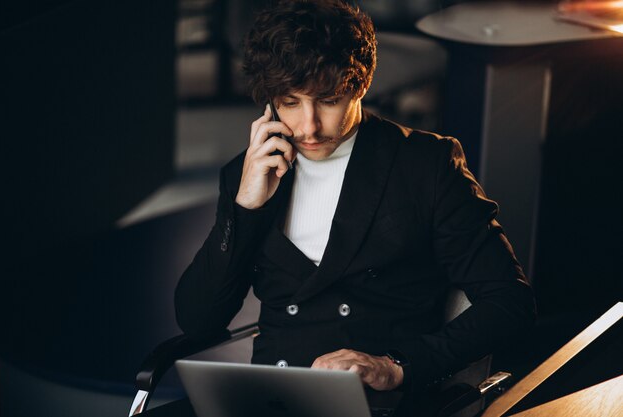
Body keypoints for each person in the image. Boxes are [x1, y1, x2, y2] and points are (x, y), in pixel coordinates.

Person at [175, 0, 536, 411]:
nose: (308, 127)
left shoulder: (426, 164)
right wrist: (245, 208)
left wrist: (396, 367)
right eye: (290, 102)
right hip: (270, 400)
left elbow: (510, 304)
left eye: (327, 100)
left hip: (379, 403)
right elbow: (197, 320)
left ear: (360, 85)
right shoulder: (247, 172)